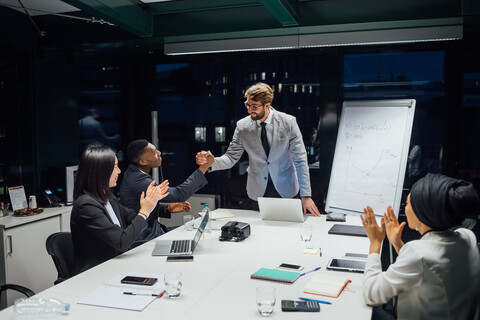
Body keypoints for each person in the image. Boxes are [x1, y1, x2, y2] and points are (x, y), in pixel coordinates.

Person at [361, 173, 480, 320]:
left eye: (408, 204)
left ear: (422, 212)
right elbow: (426, 268)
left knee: (365, 309)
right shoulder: (467, 237)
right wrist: (397, 243)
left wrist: (375, 243)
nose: (405, 208)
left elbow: (371, 293)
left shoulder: (417, 253)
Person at [197, 83, 321, 216]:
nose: (249, 110)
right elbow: (231, 157)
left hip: (286, 189)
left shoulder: (288, 122)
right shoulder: (242, 126)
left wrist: (306, 195)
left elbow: (300, 160)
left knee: (288, 232)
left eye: (254, 106)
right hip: (258, 190)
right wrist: (211, 162)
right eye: (248, 105)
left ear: (267, 105)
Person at [71, 144, 169, 275]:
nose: (119, 171)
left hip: (116, 264)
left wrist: (150, 202)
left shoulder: (108, 197)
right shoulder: (86, 205)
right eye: (115, 166)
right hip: (96, 273)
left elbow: (132, 218)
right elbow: (121, 242)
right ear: (102, 171)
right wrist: (144, 211)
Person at [120, 139, 214, 245]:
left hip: (154, 232)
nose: (159, 153)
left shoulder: (133, 173)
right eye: (155, 152)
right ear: (142, 162)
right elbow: (179, 194)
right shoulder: (140, 181)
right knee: (193, 237)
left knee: (191, 232)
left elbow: (137, 208)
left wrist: (166, 209)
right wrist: (204, 167)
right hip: (146, 239)